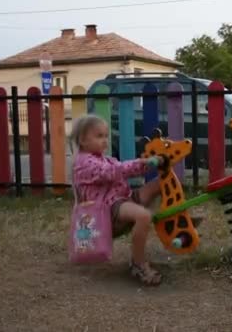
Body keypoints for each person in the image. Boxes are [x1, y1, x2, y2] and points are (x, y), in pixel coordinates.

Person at [69, 114, 163, 286]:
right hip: (108, 211)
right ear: (82, 140)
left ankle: (177, 219)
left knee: (161, 184)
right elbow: (113, 171)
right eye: (99, 136)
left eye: (106, 136)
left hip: (122, 199)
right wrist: (143, 163)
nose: (105, 140)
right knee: (143, 216)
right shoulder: (84, 164)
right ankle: (138, 264)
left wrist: (148, 163)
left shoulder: (101, 158)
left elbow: (118, 170)